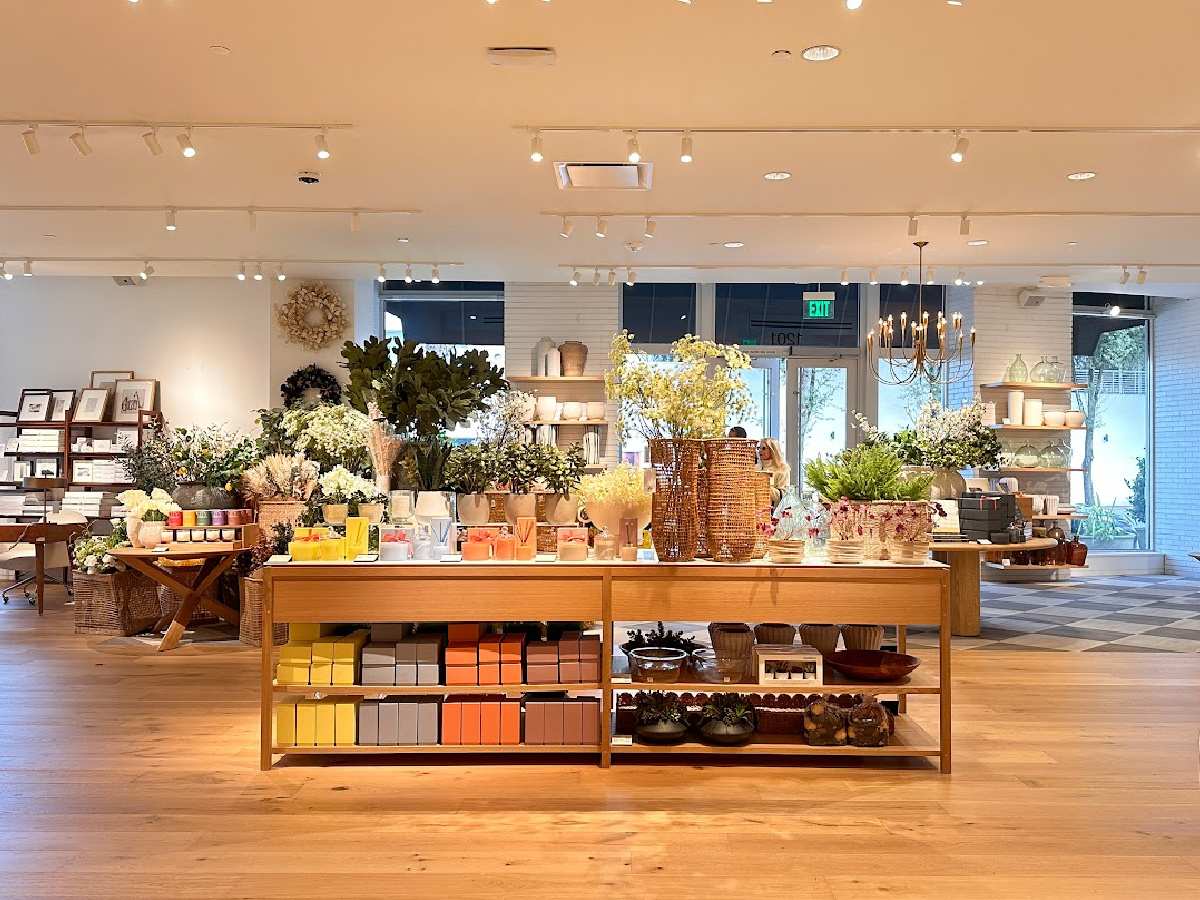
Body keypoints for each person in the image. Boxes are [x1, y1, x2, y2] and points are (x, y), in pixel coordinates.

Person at [757, 437, 791, 505]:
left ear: (773, 450)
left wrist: (764, 486)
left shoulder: (782, 469)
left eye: (763, 448)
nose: (760, 451)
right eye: (759, 448)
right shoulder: (756, 469)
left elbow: (783, 495)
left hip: (774, 513)